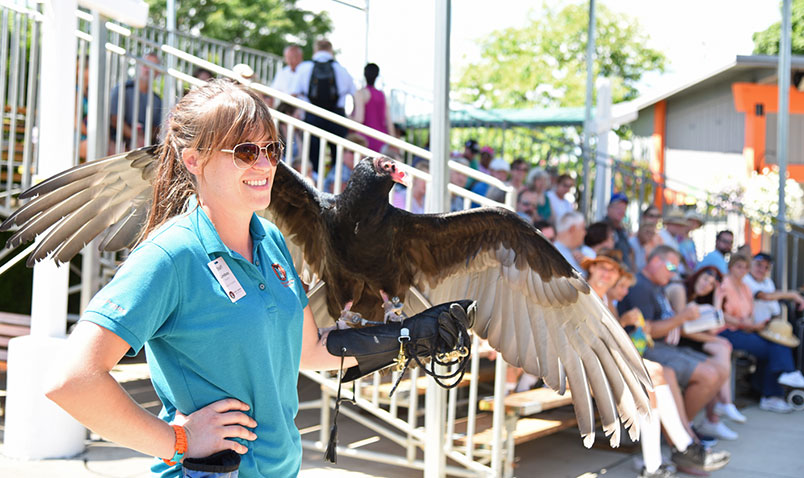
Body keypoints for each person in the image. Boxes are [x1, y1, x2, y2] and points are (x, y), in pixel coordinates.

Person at [44, 80, 470, 477]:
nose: (265, 164)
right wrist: (178, 440)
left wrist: (404, 339)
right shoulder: (171, 255)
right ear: (193, 159)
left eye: (272, 149)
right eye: (246, 152)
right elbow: (72, 380)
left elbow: (309, 349)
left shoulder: (269, 240)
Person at [586, 252, 731, 478]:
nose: (607, 274)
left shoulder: (607, 299)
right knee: (654, 375)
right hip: (583, 365)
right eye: (602, 268)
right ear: (591, 269)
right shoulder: (584, 293)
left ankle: (660, 461)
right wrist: (624, 323)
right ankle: (681, 448)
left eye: (612, 271)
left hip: (605, 361)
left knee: (656, 376)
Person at [618, 246, 728, 428]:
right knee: (708, 375)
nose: (673, 273)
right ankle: (681, 433)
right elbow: (647, 332)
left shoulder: (657, 286)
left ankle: (682, 428)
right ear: (654, 262)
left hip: (667, 348)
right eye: (671, 268)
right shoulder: (640, 287)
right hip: (647, 350)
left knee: (720, 371)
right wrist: (682, 317)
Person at [717, 254, 804, 413]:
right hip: (726, 331)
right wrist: (747, 325)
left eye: (745, 267)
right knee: (772, 348)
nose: (742, 270)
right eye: (739, 266)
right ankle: (778, 386)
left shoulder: (744, 287)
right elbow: (720, 314)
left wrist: (752, 325)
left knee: (776, 343)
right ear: (731, 267)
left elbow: (749, 313)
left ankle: (770, 390)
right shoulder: (724, 284)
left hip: (746, 329)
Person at [669, 266, 743, 439]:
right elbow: (683, 328)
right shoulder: (680, 289)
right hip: (673, 340)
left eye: (711, 284)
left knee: (722, 349)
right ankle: (718, 411)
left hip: (688, 341)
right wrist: (715, 339)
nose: (706, 285)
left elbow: (711, 330)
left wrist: (717, 302)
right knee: (720, 349)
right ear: (696, 276)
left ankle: (720, 410)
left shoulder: (702, 299)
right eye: (704, 279)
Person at [291, 39, 356, 173]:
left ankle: (314, 185)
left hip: (312, 115)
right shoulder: (341, 69)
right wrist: (354, 116)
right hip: (337, 117)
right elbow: (355, 94)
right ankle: (337, 185)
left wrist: (297, 112)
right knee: (338, 158)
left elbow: (293, 94)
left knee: (313, 156)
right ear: (330, 50)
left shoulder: (304, 68)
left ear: (315, 49)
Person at [109, 51, 163, 150]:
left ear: (158, 73)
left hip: (143, 146)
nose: (148, 70)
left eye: (153, 67)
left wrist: (145, 139)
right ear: (139, 66)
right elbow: (114, 119)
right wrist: (135, 137)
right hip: (118, 142)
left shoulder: (157, 100)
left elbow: (156, 128)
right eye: (145, 65)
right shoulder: (122, 89)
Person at [743, 252, 804, 324]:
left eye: (766, 267)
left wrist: (794, 296)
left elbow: (774, 295)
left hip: (770, 325)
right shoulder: (745, 278)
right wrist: (792, 295)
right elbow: (764, 296)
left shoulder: (768, 281)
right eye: (759, 265)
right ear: (751, 263)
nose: (762, 270)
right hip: (754, 327)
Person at [351, 63, 394, 153]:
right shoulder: (382, 95)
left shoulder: (361, 93)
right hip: (381, 141)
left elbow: (359, 119)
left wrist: (348, 117)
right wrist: (393, 143)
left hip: (364, 141)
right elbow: (389, 121)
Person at [602, 193, 635, 272]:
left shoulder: (622, 231)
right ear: (609, 208)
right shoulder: (602, 228)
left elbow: (629, 253)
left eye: (624, 208)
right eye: (618, 208)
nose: (622, 211)